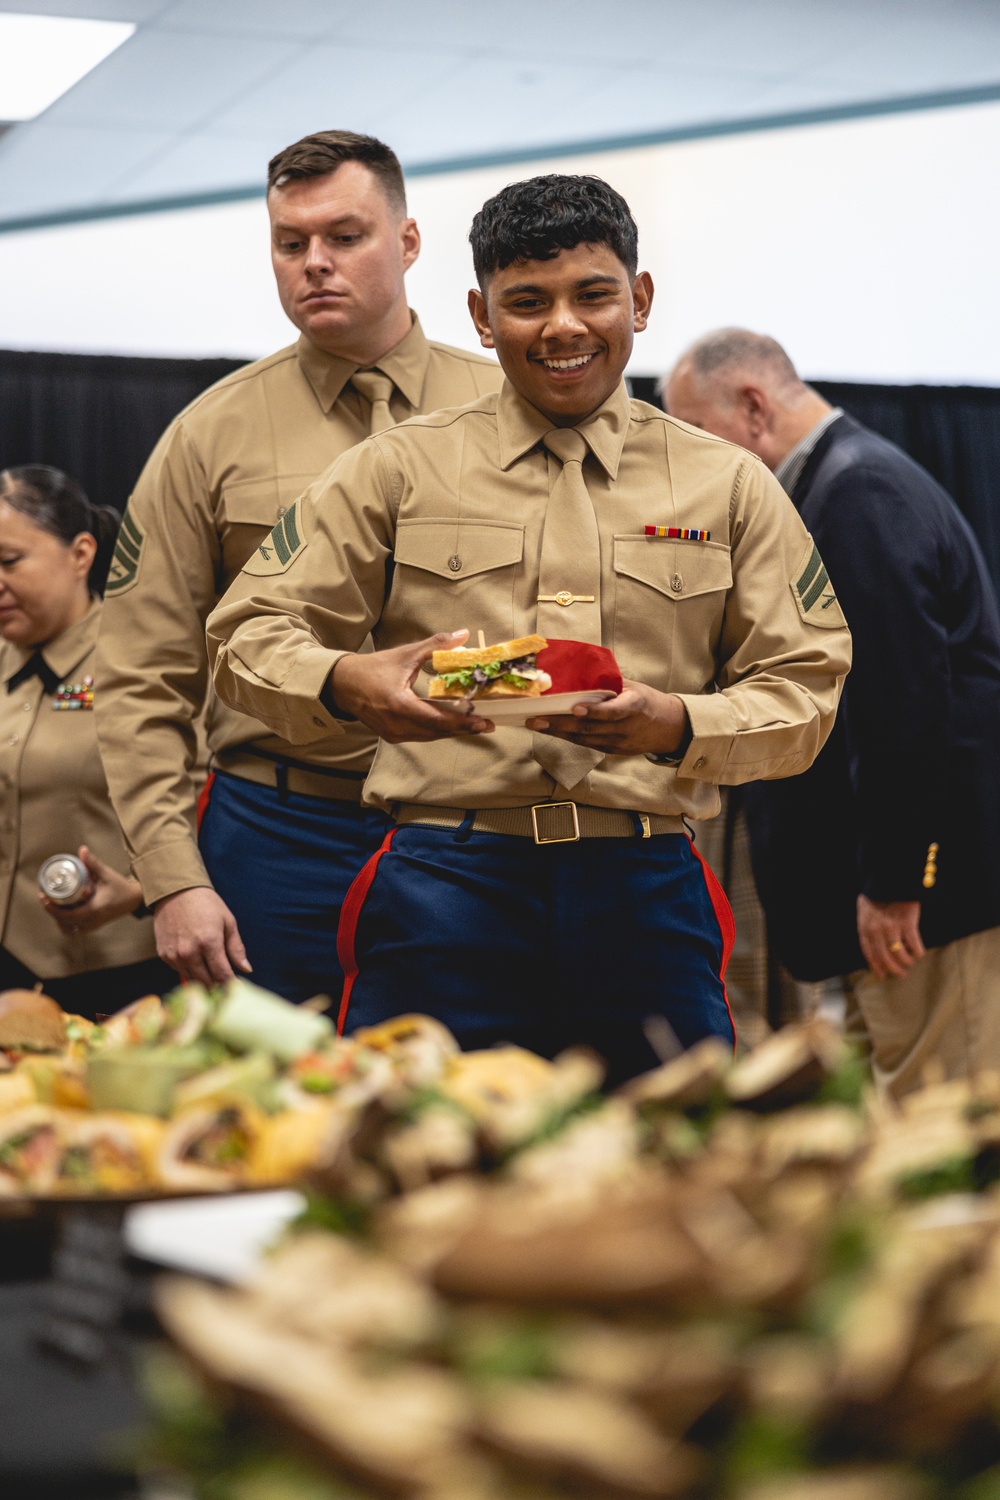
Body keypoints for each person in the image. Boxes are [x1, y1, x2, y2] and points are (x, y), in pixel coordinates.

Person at [206, 175, 850, 1085]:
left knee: (669, 1172)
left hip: (646, 885)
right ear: (479, 314)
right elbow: (245, 631)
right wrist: (352, 684)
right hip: (445, 880)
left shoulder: (730, 485)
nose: (563, 327)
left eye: (593, 294)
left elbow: (809, 685)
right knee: (409, 1162)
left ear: (640, 299)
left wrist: (676, 723)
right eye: (526, 302)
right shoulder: (396, 469)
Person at [95, 130, 501, 1001]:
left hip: (475, 823)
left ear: (407, 242)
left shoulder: (509, 412)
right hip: (279, 830)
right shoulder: (212, 434)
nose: (314, 263)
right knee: (279, 1109)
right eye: (291, 243)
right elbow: (140, 675)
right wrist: (172, 876)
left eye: (344, 237)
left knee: (465, 1101)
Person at [664, 328, 1000, 1096]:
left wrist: (895, 883)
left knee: (943, 1133)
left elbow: (904, 704)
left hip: (922, 905)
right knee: (895, 1124)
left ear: (753, 407)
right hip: (898, 905)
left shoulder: (856, 493)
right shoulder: (842, 485)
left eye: (697, 435)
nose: (692, 465)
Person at [0, 466, 175, 1018]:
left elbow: (211, 803)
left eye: (9, 562)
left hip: (111, 971)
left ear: (81, 554)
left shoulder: (144, 664)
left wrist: (149, 887)